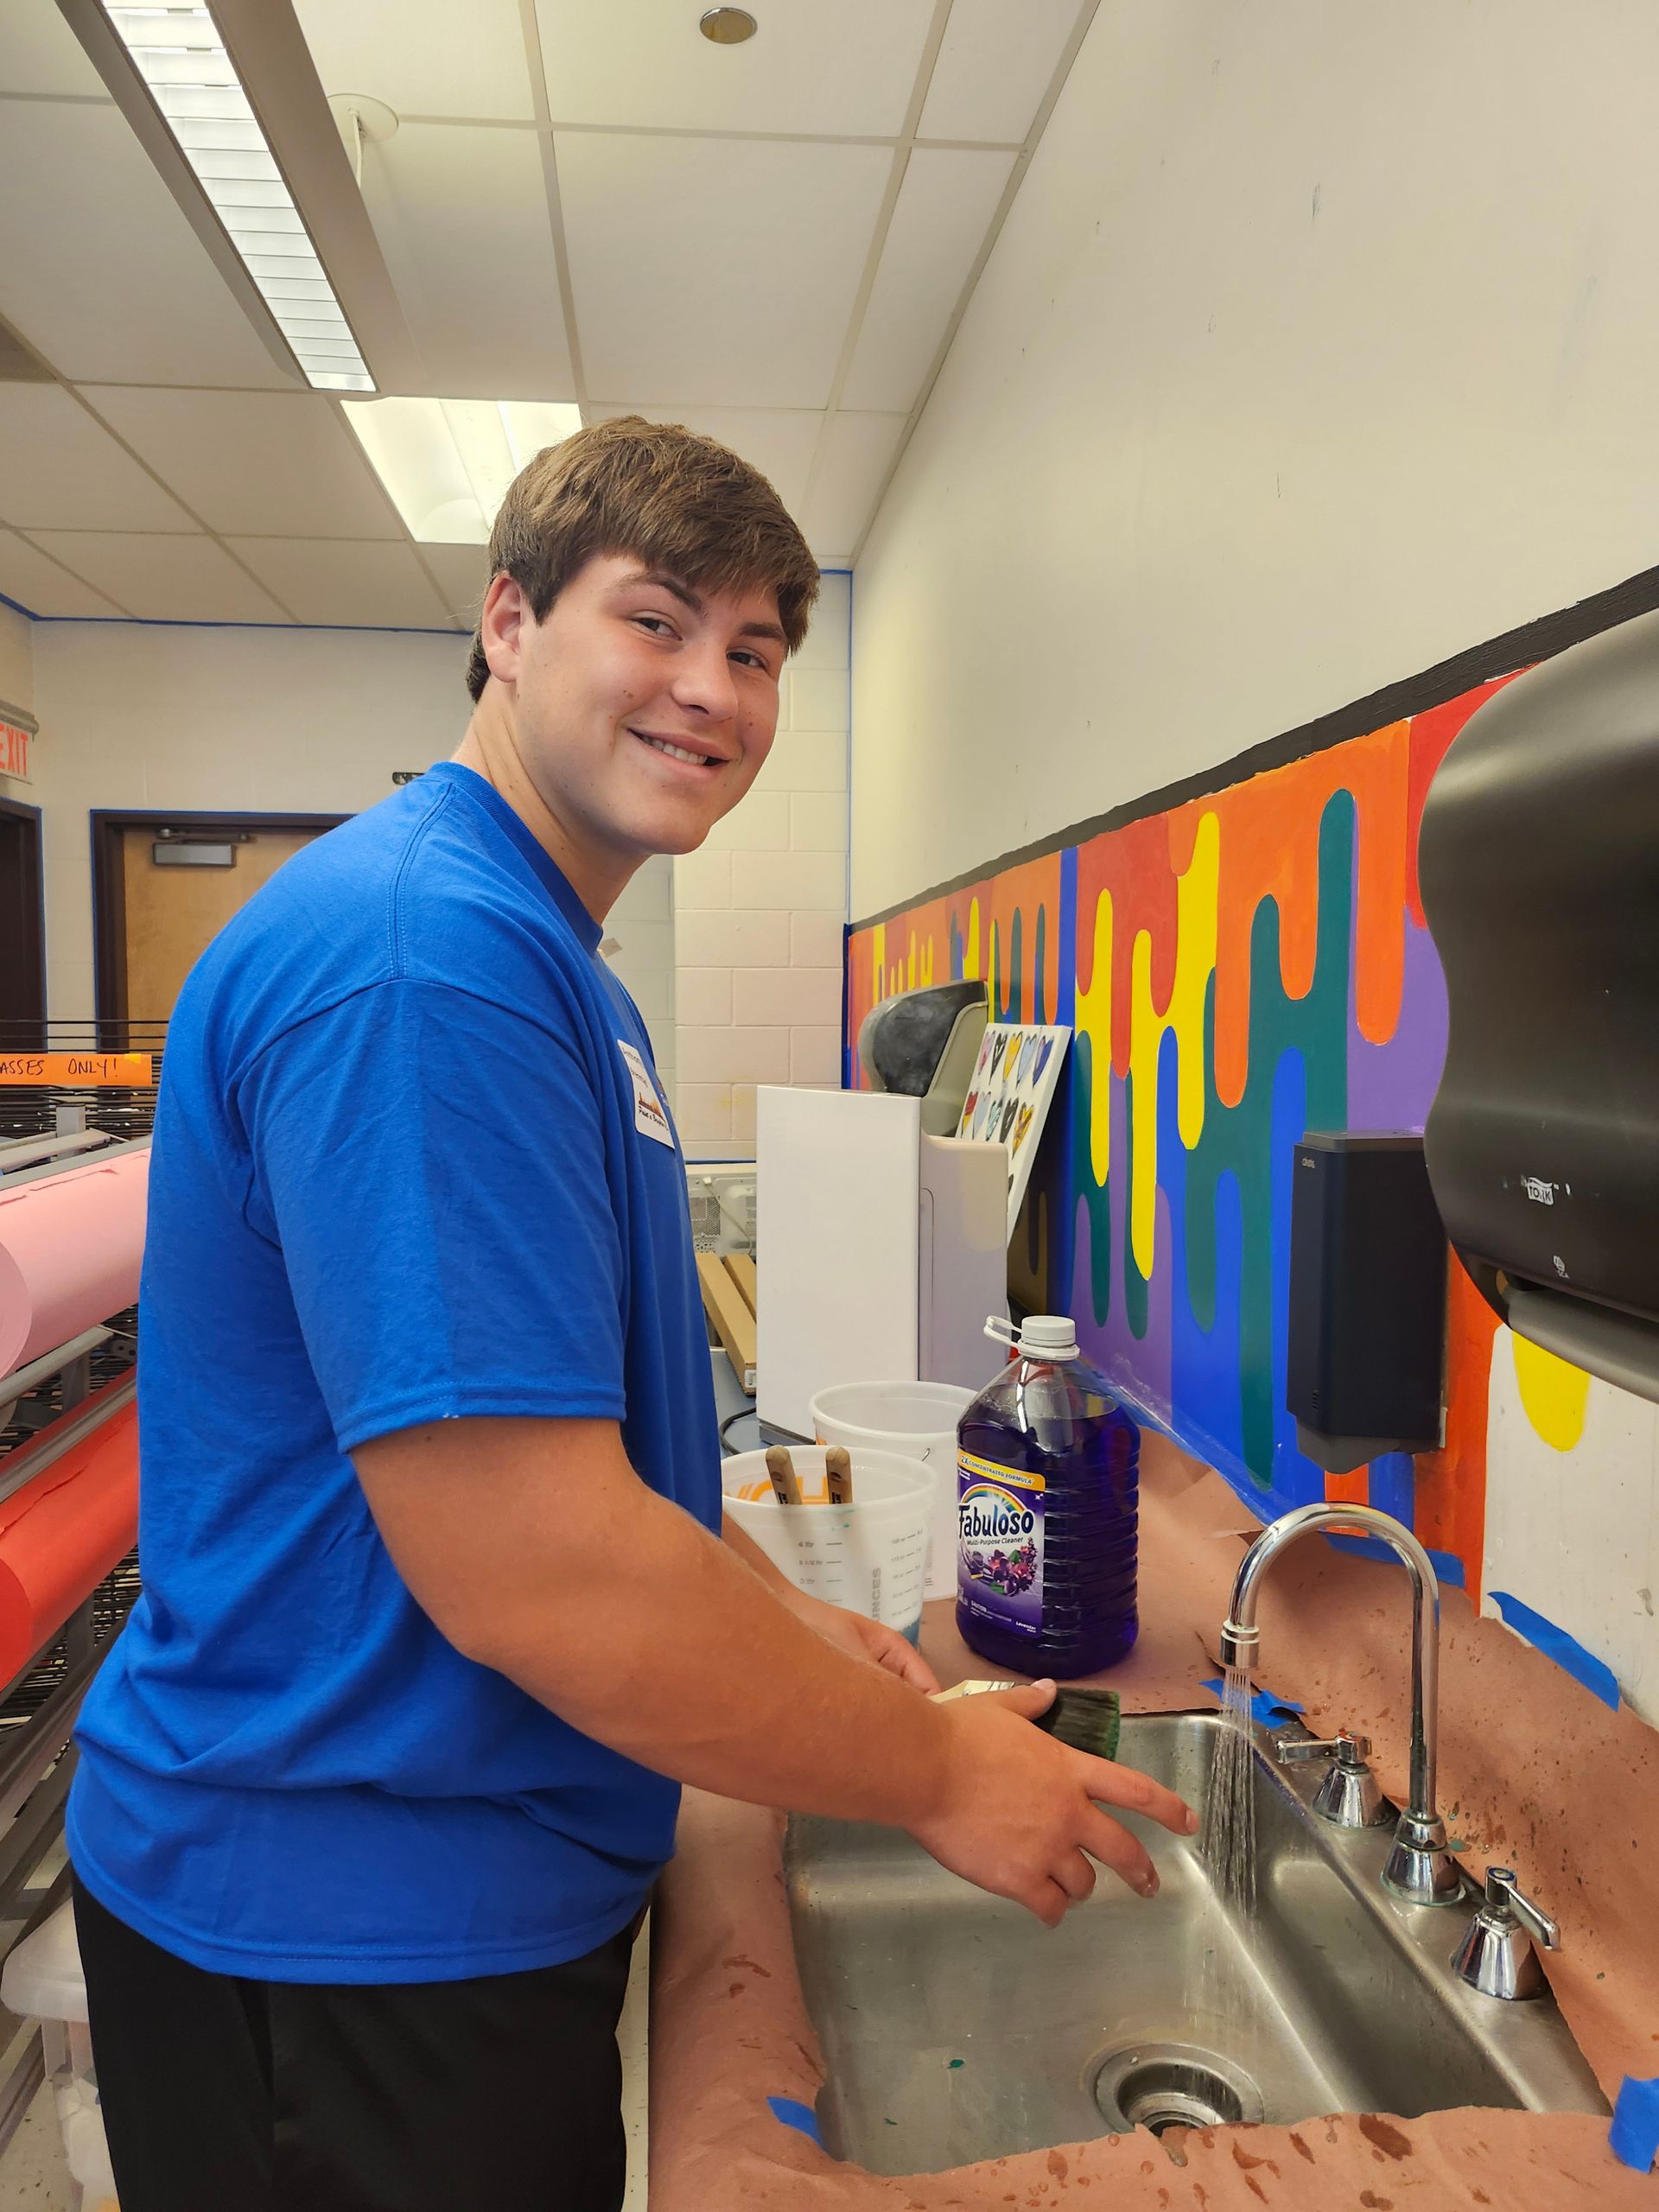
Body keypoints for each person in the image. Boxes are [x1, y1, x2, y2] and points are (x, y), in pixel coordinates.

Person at [67, 417, 1195, 2211]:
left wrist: (798, 1636)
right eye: (656, 621)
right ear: (508, 622)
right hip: (345, 1924)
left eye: (753, 650)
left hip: (429, 1890)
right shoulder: (427, 960)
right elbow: (541, 1564)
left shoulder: (550, 966)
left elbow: (605, 1478)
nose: (713, 690)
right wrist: (931, 1772)